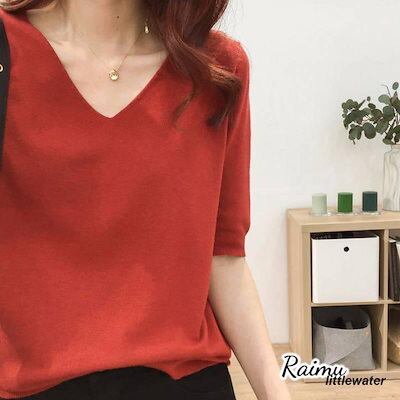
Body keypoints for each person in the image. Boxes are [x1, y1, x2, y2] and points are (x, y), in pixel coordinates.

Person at [0, 1, 291, 399]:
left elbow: (224, 256)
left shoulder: (216, 68)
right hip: (32, 384)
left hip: (183, 382)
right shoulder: (8, 52)